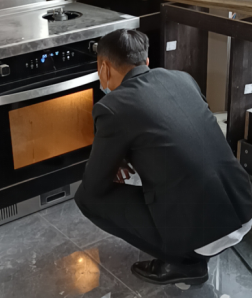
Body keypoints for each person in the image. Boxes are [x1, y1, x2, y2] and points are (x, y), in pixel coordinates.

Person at [74, 29, 252, 286]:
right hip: (244, 207)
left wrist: (110, 162)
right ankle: (190, 250)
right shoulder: (183, 78)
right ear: (146, 61)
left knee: (87, 198)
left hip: (205, 233)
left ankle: (183, 262)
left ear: (104, 68)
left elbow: (94, 185)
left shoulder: (113, 107)